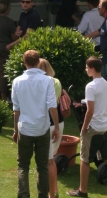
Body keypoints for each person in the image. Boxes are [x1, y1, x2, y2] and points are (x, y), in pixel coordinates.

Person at [67, 56, 107, 198]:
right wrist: (105, 118)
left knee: (85, 159)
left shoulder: (91, 86)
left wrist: (84, 128)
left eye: (87, 67)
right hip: (105, 127)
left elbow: (90, 110)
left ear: (93, 69)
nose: (85, 69)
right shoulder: (105, 83)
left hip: (93, 129)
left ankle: (82, 191)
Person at [12, 50, 59, 198]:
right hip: (42, 128)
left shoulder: (17, 81)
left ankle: (23, 195)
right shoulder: (47, 80)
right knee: (42, 166)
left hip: (25, 128)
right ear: (38, 62)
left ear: (24, 62)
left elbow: (16, 110)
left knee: (23, 165)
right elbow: (52, 106)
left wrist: (15, 130)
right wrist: (57, 127)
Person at [34, 58, 64, 198]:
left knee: (49, 161)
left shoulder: (40, 82)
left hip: (47, 123)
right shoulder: (56, 82)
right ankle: (54, 190)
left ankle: (52, 193)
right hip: (58, 121)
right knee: (50, 159)